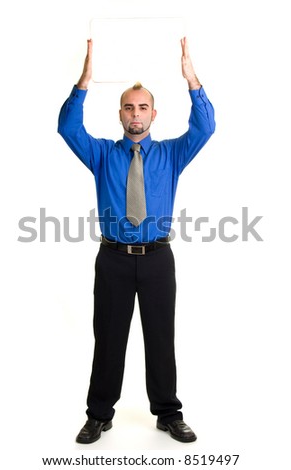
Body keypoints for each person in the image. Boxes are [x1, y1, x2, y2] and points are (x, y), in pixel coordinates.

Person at [58, 36, 215, 444]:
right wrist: (84, 82)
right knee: (109, 337)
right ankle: (99, 414)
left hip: (158, 258)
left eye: (142, 106)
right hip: (112, 259)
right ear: (121, 114)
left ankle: (167, 412)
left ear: (153, 114)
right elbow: (67, 127)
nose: (136, 113)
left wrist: (192, 79)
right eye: (129, 106)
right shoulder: (102, 155)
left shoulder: (172, 155)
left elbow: (206, 126)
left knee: (160, 337)